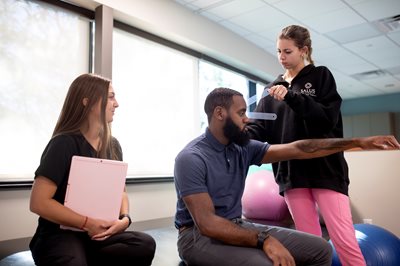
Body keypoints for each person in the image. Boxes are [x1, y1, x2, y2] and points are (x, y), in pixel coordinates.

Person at [174, 87, 400, 266]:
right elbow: (208, 224)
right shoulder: (191, 157)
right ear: (220, 113)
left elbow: (301, 148)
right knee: (269, 263)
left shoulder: (241, 148)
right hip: (196, 237)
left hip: (237, 225)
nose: (247, 120)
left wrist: (357, 142)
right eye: (241, 113)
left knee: (320, 249)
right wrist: (264, 239)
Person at [246, 24, 374, 265]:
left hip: (326, 170)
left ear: (303, 50)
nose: (282, 57)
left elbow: (326, 120)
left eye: (288, 51)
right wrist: (238, 131)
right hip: (292, 174)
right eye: (278, 52)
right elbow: (259, 128)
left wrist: (292, 96)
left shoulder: (321, 76)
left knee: (345, 241)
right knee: (309, 245)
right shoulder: (270, 90)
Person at [29, 73, 156, 266]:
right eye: (111, 97)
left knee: (144, 244)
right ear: (87, 103)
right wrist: (87, 223)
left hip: (95, 236)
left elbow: (120, 192)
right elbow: (38, 203)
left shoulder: (113, 146)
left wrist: (125, 219)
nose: (117, 103)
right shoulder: (63, 143)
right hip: (58, 235)